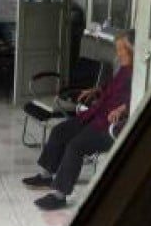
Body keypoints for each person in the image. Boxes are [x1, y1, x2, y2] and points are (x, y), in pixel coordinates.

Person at [22, 30, 134, 210]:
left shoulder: (141, 73)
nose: (119, 53)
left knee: (76, 145)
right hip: (96, 115)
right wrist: (96, 90)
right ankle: (46, 175)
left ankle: (59, 195)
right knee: (60, 131)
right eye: (118, 49)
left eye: (122, 49)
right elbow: (111, 87)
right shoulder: (124, 69)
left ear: (133, 50)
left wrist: (125, 107)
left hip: (112, 126)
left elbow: (143, 96)